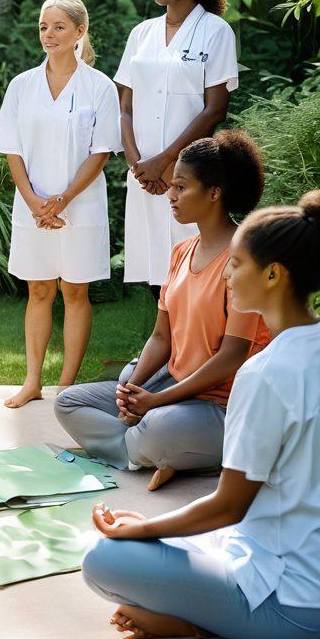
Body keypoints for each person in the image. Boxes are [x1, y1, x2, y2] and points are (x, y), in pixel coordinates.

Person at [81, 189, 320, 639]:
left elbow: (228, 507)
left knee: (104, 560)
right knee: (169, 540)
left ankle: (193, 621)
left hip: (297, 604)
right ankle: (191, 600)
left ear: (274, 274)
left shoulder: (265, 373)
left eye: (236, 265)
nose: (228, 277)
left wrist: (145, 529)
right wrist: (160, 533)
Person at [56, 131, 269, 489]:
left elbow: (233, 355)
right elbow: (160, 336)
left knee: (156, 428)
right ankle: (159, 456)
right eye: (172, 185)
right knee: (68, 403)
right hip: (171, 386)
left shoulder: (245, 259)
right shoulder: (181, 251)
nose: (170, 195)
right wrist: (133, 393)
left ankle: (156, 451)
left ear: (214, 192)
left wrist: (156, 401)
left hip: (224, 405)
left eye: (181, 187)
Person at [0, 0, 121, 409]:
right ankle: (31, 382)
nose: (49, 35)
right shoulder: (22, 85)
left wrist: (62, 200)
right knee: (39, 291)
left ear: (80, 32)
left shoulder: (99, 87)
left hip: (80, 206)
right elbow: (12, 148)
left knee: (75, 293)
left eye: (59, 27)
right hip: (32, 206)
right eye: (44, 27)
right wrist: (33, 201)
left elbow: (100, 152)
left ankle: (66, 386)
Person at [116, 0, 240, 290]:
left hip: (190, 172)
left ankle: (191, 348)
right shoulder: (141, 34)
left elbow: (215, 108)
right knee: (154, 266)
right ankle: (163, 348)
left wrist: (169, 161)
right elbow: (125, 106)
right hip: (143, 172)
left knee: (193, 265)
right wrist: (139, 163)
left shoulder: (215, 31)